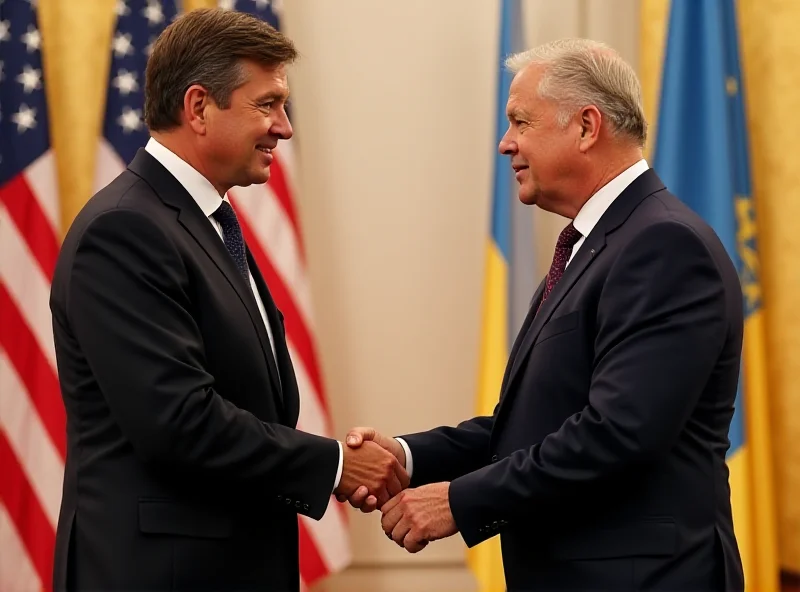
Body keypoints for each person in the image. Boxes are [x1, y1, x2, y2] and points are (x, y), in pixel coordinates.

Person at [344, 38, 745, 591]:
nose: (505, 144)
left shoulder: (665, 246)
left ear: (586, 126)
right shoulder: (598, 243)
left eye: (520, 122)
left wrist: (459, 502)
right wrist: (409, 456)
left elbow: (618, 435)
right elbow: (536, 423)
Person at [49, 8, 407, 592]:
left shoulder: (206, 221)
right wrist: (336, 465)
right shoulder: (125, 231)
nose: (285, 127)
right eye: (267, 105)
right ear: (198, 108)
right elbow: (179, 423)